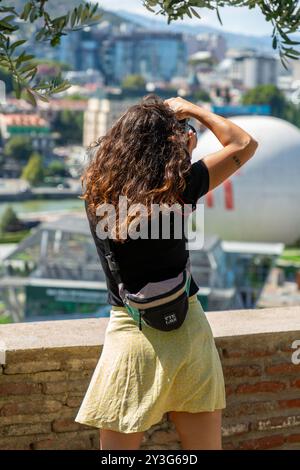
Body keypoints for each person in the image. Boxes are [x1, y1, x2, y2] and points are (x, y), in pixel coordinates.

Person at [74, 94, 258, 450]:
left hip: (132, 334)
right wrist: (191, 111)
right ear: (171, 145)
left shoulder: (97, 194)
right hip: (188, 328)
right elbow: (243, 143)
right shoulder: (181, 186)